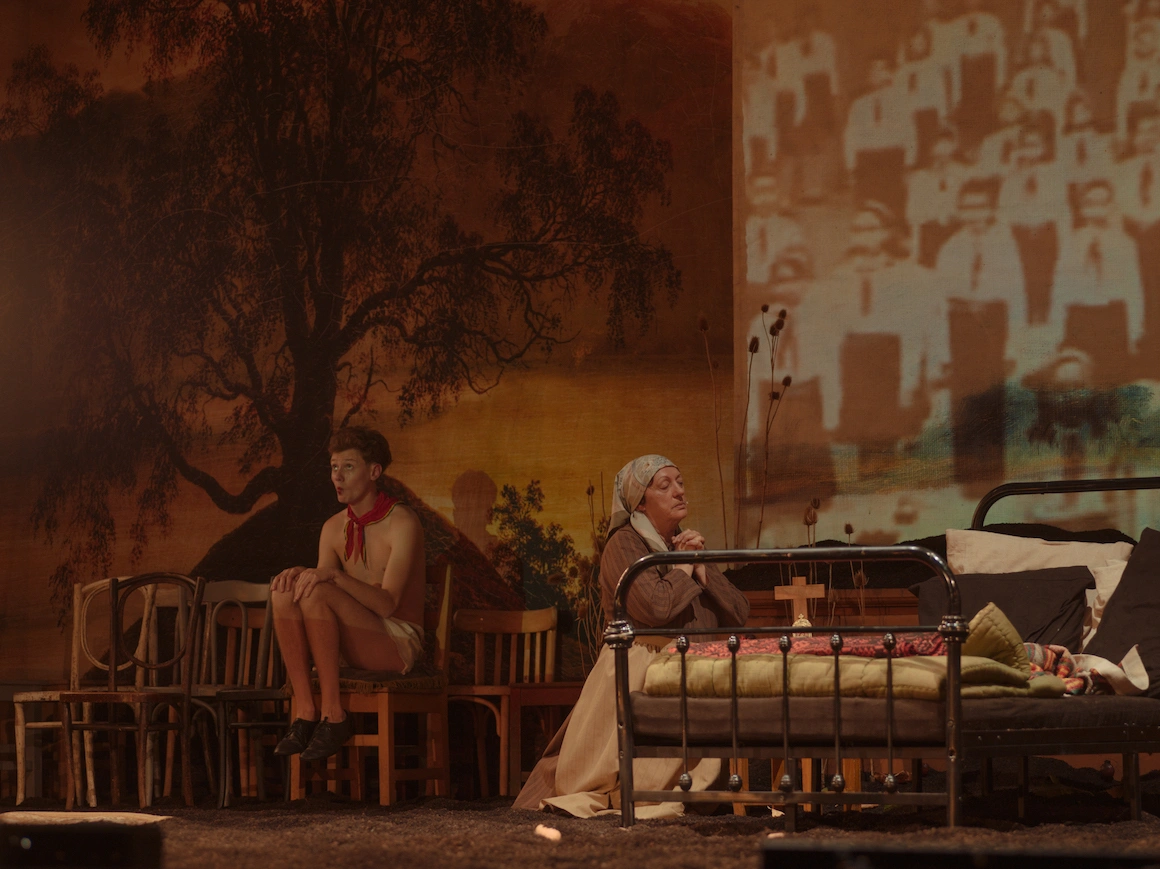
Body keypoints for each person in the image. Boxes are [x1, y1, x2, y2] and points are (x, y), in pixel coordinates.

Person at [513, 455, 750, 818]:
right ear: (640, 502)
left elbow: (739, 611)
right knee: (625, 784)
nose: (679, 491)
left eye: (680, 482)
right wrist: (684, 569)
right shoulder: (624, 545)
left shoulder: (684, 546)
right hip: (641, 667)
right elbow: (655, 607)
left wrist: (702, 568)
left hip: (692, 668)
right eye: (665, 485)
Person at [269, 427, 426, 761]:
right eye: (334, 467)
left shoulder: (402, 522)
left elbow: (387, 604)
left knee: (317, 590)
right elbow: (318, 590)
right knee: (285, 592)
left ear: (374, 471)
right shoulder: (332, 527)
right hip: (351, 636)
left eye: (348, 467)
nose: (337, 477)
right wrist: (300, 574)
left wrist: (333, 576)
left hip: (396, 642)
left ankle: (334, 714)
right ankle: (306, 712)